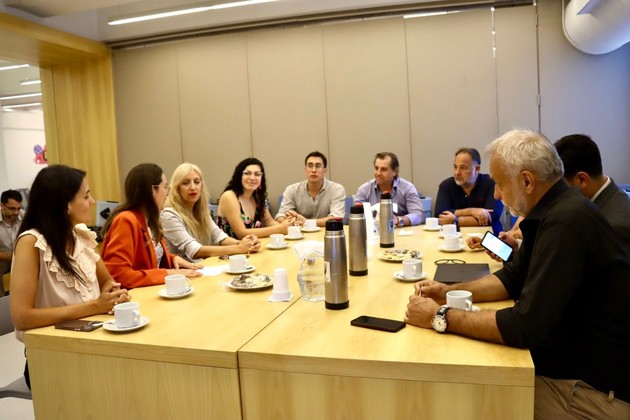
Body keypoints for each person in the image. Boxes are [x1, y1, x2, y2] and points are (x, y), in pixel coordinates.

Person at [405, 130, 630, 419]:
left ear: (527, 181)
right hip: (570, 369)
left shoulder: (566, 220)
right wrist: (448, 292)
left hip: (593, 391)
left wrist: (439, 316)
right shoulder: (552, 211)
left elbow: (524, 325)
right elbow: (511, 277)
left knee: (470, 401)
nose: (496, 194)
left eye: (499, 184)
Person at [9, 165, 131, 389]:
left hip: (92, 341)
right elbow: (22, 317)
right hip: (52, 356)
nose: (92, 201)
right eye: (86, 196)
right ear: (65, 204)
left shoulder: (80, 235)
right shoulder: (31, 242)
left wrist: (111, 293)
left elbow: (106, 280)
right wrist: (94, 306)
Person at [101, 163, 202, 289]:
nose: (167, 193)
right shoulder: (126, 220)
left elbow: (151, 258)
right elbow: (118, 275)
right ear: (152, 190)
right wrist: (169, 273)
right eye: (165, 187)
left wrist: (172, 258)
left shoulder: (150, 220)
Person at [161, 163, 261, 261]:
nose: (193, 187)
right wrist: (239, 248)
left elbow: (218, 237)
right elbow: (194, 250)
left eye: (197, 182)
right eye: (186, 183)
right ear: (176, 188)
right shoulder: (168, 215)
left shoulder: (200, 211)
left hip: (204, 266)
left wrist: (247, 244)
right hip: (185, 270)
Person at [555, 134, 630, 257]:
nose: (558, 192)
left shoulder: (614, 227)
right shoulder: (608, 197)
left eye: (561, 184)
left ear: (582, 179)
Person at [217, 157, 294, 239]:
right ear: (239, 176)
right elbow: (241, 233)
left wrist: (289, 225)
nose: (252, 178)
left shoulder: (257, 196)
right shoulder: (229, 196)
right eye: (247, 173)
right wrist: (280, 229)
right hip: (232, 246)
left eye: (257, 174)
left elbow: (269, 221)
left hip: (254, 245)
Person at [435, 147, 503, 234]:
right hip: (454, 236)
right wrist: (471, 211)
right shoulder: (446, 185)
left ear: (477, 169)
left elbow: (491, 217)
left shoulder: (491, 184)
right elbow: (440, 215)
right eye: (455, 167)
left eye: (463, 168)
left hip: (488, 236)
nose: (457, 173)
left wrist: (455, 220)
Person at [275, 151, 346, 228]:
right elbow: (280, 216)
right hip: (300, 232)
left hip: (327, 232)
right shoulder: (292, 190)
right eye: (310, 166)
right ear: (305, 170)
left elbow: (336, 218)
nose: (313, 170)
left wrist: (305, 222)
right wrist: (291, 220)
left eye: (318, 166)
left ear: (325, 171)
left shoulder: (337, 189)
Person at [354, 152, 425, 227]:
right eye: (376, 168)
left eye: (383, 169)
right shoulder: (364, 190)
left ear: (395, 171)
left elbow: (419, 215)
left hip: (400, 231)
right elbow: (354, 217)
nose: (378, 173)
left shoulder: (407, 188)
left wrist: (398, 220)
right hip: (372, 232)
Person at [0, 190, 24, 292]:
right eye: (12, 209)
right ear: (2, 205)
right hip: (2, 258)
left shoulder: (23, 216)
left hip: (21, 255)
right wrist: (10, 257)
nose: (16, 212)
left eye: (19, 208)